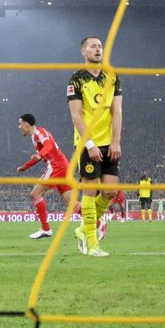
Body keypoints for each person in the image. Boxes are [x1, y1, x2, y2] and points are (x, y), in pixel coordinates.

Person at [67, 36, 122, 257]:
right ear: (83, 51)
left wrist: (116, 141)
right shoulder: (76, 79)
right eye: (93, 46)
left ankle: (83, 228)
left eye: (100, 46)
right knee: (89, 191)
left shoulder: (112, 76)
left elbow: (117, 111)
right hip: (87, 143)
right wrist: (89, 144)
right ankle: (92, 243)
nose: (98, 49)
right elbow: (76, 116)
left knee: (109, 191)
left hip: (109, 143)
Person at [15, 114, 77, 239]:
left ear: (27, 124)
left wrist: (40, 155)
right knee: (71, 202)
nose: (19, 127)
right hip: (63, 166)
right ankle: (98, 223)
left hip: (56, 166)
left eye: (20, 124)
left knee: (35, 194)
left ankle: (46, 229)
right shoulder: (35, 137)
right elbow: (40, 155)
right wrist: (25, 167)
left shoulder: (39, 132)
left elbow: (49, 145)